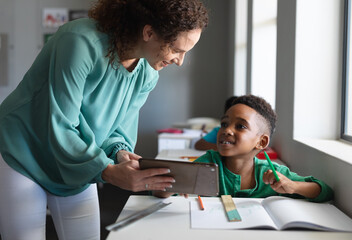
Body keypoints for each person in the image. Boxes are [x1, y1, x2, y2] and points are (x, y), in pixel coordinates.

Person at [0, 0, 208, 239]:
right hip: (24, 151)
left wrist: (120, 155)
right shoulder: (80, 42)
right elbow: (61, 125)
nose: (180, 61)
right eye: (176, 49)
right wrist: (107, 171)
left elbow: (117, 131)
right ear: (149, 32)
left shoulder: (147, 74)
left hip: (74, 160)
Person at [155, 95, 333, 202]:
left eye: (240, 126)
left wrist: (293, 186)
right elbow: (157, 192)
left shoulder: (273, 173)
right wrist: (170, 189)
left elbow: (324, 191)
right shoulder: (209, 163)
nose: (227, 130)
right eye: (224, 124)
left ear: (261, 143)